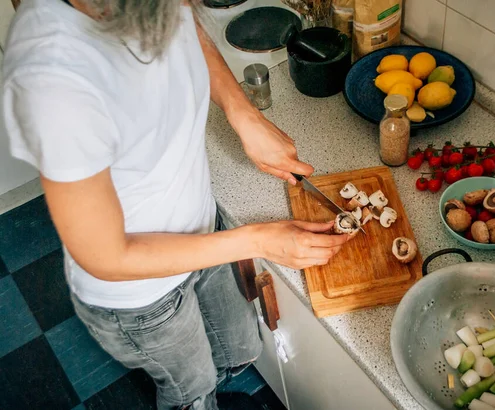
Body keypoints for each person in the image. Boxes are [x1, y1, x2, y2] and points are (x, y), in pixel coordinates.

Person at [2, 1, 350, 409]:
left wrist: (242, 112)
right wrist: (257, 241)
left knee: (239, 350)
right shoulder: (54, 78)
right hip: (139, 294)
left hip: (204, 228)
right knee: (192, 389)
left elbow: (187, 30)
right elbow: (105, 255)